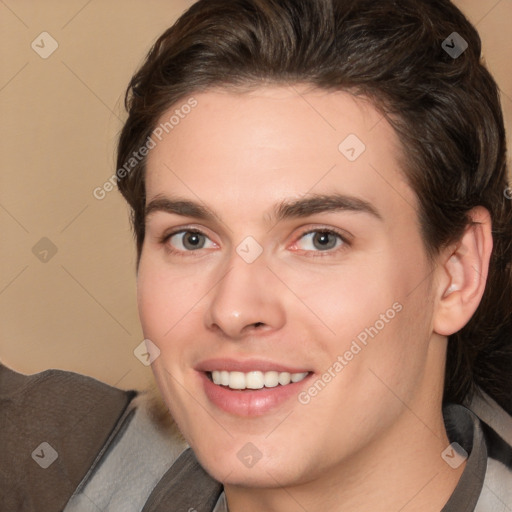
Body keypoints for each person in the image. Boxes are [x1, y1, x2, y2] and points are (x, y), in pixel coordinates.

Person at [2, 0, 511, 511]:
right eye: (192, 238)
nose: (234, 309)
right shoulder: (60, 470)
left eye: (320, 239)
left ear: (456, 274)